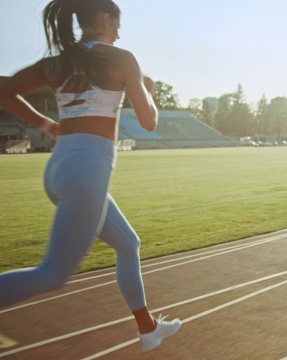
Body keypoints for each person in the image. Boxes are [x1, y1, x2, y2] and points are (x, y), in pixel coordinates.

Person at [0, 0, 181, 352]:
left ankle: (148, 329)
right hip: (87, 171)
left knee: (128, 245)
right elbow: (149, 122)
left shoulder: (58, 62)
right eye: (117, 22)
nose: (119, 30)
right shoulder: (122, 58)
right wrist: (146, 90)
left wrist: (48, 125)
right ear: (103, 17)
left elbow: (5, 91)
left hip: (61, 166)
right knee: (52, 273)